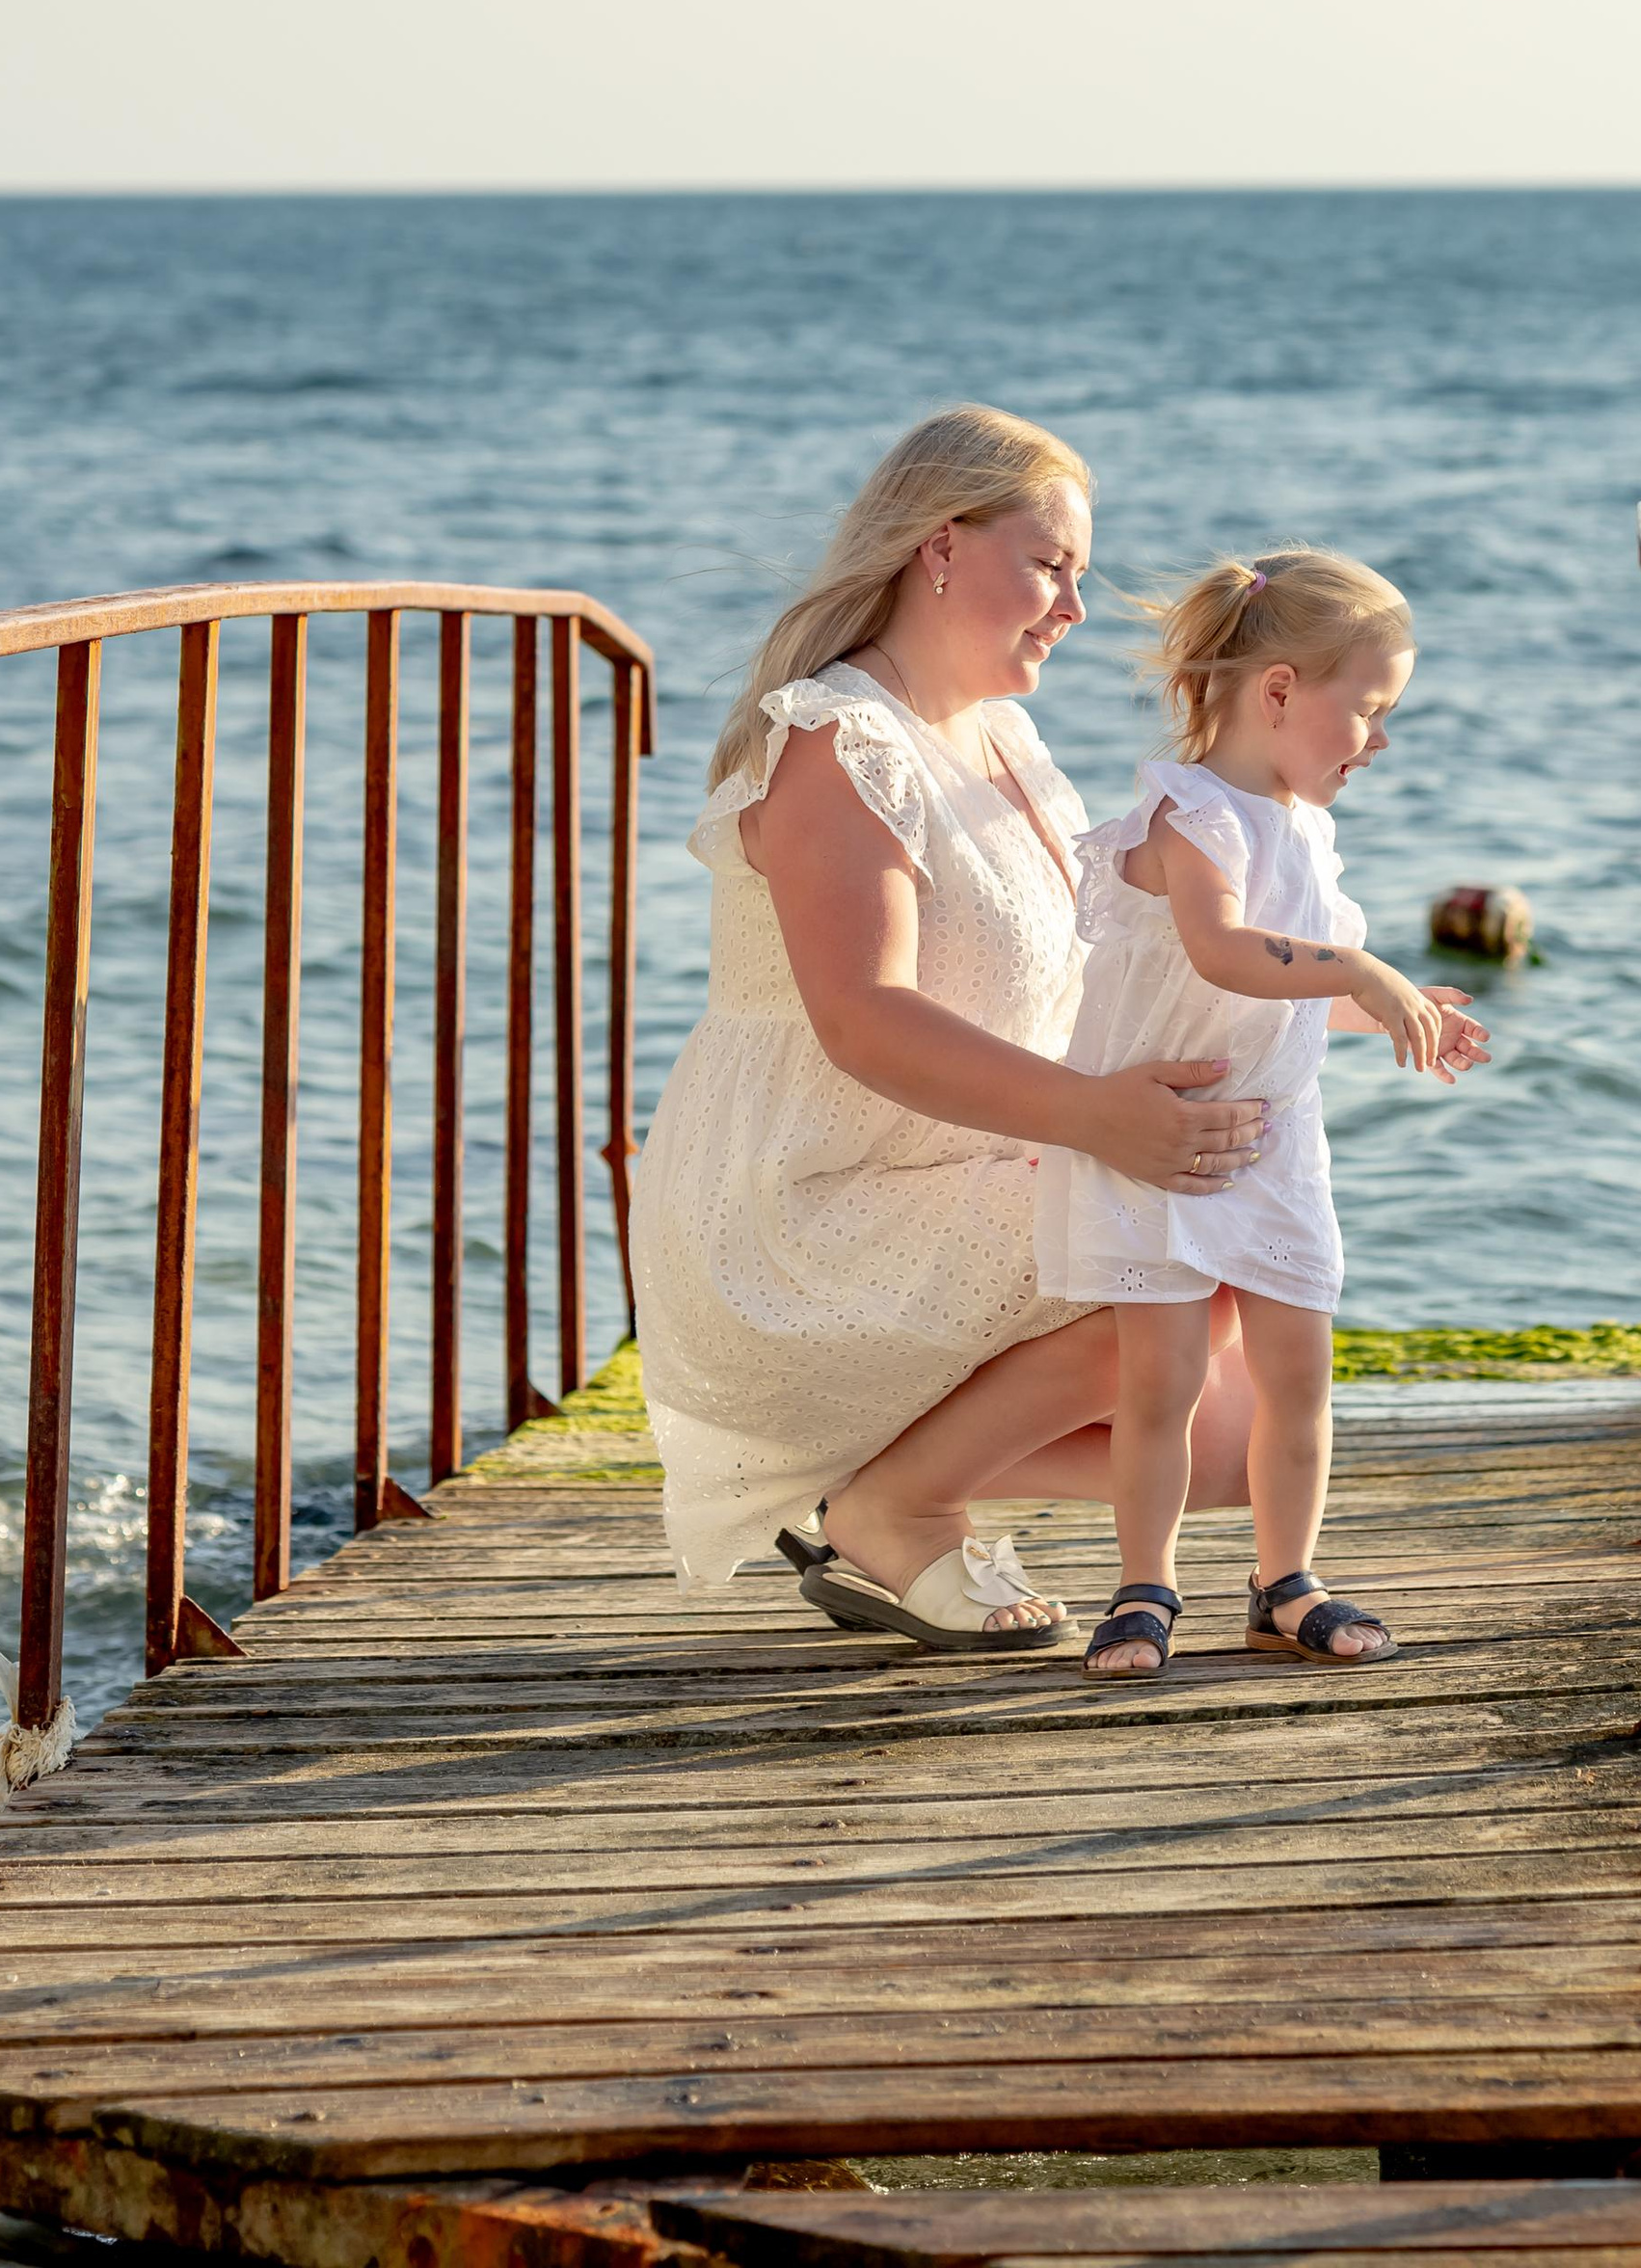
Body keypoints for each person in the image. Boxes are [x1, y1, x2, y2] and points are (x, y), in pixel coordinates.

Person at [630, 404, 1277, 1647]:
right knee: (1179, 1252)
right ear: (939, 545)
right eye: (1049, 566)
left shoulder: (1005, 739)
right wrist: (1094, 1122)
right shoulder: (840, 741)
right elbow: (864, 1023)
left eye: (1080, 578)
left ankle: (904, 1475)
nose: (1071, 609)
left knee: (1233, 1442)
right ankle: (898, 1503)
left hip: (960, 1167)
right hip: (810, 1205)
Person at [1034, 547, 1489, 1682]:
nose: (1377, 743)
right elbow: (1223, 954)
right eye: (1369, 710)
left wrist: (1388, 1010)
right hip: (1164, 1145)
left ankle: (1284, 1582)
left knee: (1299, 1375)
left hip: (1274, 1144)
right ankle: (1144, 1585)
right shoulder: (1195, 815)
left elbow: (1277, 998)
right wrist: (1360, 967)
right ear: (1279, 691)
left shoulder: (1306, 828)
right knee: (1165, 1383)